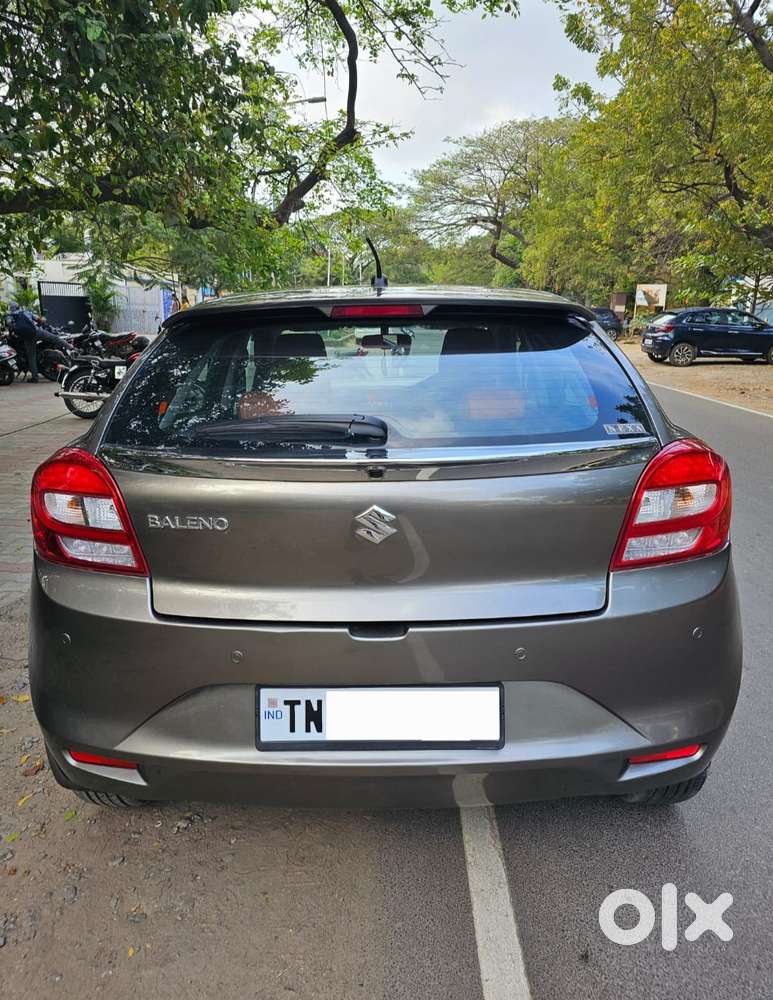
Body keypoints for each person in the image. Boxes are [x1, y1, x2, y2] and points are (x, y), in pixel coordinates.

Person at [9, 306, 43, 382]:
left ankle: (35, 378)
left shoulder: (11, 316)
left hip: (27, 338)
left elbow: (10, 326)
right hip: (37, 332)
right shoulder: (26, 312)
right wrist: (38, 325)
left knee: (31, 357)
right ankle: (70, 347)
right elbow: (39, 320)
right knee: (55, 338)